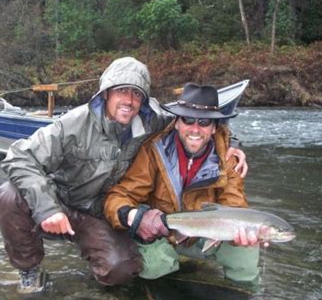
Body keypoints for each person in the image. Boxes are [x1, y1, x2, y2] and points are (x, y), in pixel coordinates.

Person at [0, 57, 248, 296]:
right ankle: (29, 270)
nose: (129, 100)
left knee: (121, 270)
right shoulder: (73, 123)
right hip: (60, 201)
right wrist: (48, 209)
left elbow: (196, 125)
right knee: (10, 194)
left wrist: (232, 146)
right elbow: (19, 156)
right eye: (122, 90)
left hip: (101, 213)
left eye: (137, 94)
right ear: (105, 93)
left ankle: (94, 261)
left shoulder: (154, 122)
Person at [104, 82, 265, 284]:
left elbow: (236, 206)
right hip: (166, 235)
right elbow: (119, 196)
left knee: (246, 252)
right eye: (188, 119)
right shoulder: (153, 151)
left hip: (208, 237)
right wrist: (134, 217)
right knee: (156, 268)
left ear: (214, 127)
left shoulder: (230, 159)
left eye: (204, 122)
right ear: (177, 122)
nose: (195, 129)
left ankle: (248, 294)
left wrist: (239, 236)